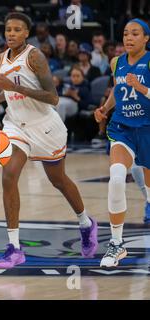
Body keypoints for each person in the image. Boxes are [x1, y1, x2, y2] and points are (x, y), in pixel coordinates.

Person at [0, 12, 97, 269]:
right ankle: (14, 247)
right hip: (16, 125)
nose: (11, 33)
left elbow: (53, 97)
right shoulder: (2, 57)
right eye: (8, 29)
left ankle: (85, 223)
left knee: (57, 179)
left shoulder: (35, 56)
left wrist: (12, 89)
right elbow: (9, 87)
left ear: (27, 33)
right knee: (8, 175)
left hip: (45, 127)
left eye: (17, 29)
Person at [94, 19, 150, 267]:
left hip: (148, 129)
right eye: (126, 34)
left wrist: (143, 89)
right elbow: (118, 90)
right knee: (117, 178)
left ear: (146, 38)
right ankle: (116, 244)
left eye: (135, 34)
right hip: (123, 128)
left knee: (149, 192)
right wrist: (105, 109)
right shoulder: (117, 62)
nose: (129, 38)